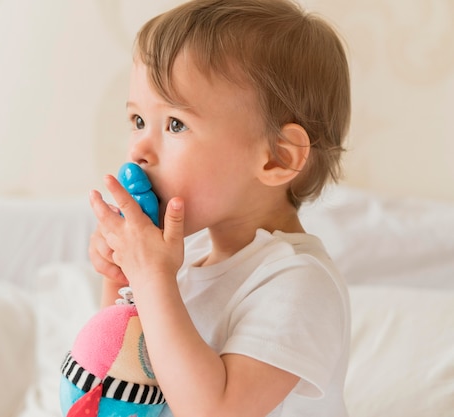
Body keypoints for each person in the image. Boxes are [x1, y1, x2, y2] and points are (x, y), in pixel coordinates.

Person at [88, 0, 351, 415]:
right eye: (138, 120)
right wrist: (124, 280)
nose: (138, 149)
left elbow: (215, 410)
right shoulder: (185, 259)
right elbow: (119, 375)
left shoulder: (298, 283)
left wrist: (152, 276)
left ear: (276, 158)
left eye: (175, 124)